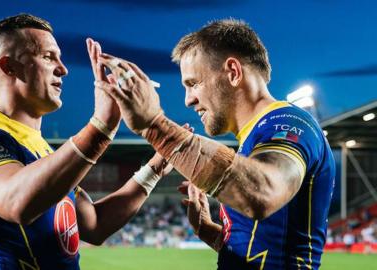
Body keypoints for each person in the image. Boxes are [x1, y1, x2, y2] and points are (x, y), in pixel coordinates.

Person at [95, 19, 335, 269]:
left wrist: (155, 126)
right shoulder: (255, 138)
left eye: (193, 83)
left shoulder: (289, 124)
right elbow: (266, 249)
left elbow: (264, 192)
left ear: (233, 72)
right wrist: (210, 232)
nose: (188, 100)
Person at [0, 14, 176, 270]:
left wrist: (154, 169)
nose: (63, 69)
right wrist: (100, 127)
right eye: (48, 57)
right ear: (9, 66)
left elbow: (95, 224)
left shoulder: (45, 152)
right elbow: (16, 202)